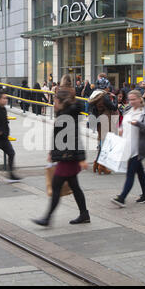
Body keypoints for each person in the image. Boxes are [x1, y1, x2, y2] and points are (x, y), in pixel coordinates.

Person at [33, 89, 89, 226]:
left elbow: (75, 138)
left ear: (61, 102)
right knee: (74, 187)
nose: (53, 104)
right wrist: (52, 153)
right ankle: (84, 214)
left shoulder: (67, 116)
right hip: (66, 156)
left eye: (55, 101)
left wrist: (81, 159)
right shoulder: (64, 114)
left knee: (56, 186)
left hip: (68, 157)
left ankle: (47, 218)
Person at [111, 90, 145, 207]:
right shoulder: (129, 110)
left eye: (133, 99)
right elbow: (124, 125)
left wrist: (138, 124)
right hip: (128, 146)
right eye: (129, 99)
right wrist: (120, 130)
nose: (131, 102)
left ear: (139, 99)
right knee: (140, 172)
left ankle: (122, 198)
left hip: (138, 148)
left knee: (130, 173)